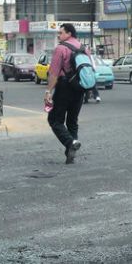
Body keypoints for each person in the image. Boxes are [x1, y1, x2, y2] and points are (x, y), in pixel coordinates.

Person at [44, 23, 89, 164]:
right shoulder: (84, 48)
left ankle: (71, 143)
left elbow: (54, 73)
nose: (59, 35)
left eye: (61, 33)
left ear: (69, 33)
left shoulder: (61, 48)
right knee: (72, 121)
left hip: (64, 87)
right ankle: (71, 152)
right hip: (80, 87)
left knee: (54, 120)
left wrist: (48, 91)